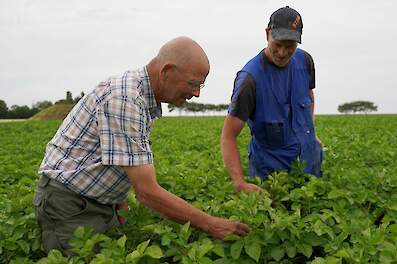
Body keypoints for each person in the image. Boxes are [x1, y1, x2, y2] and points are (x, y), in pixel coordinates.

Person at [33, 36, 249, 256]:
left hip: (97, 202)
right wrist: (212, 224)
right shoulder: (125, 99)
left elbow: (119, 156)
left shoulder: (144, 98)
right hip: (70, 204)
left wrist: (118, 199)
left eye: (200, 85)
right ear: (166, 71)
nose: (197, 93)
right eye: (193, 84)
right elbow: (147, 192)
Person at [221, 6, 323, 192]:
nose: (282, 52)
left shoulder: (305, 61)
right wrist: (239, 182)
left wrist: (311, 132)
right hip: (272, 177)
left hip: (310, 163)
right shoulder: (249, 80)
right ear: (267, 34)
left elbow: (309, 97)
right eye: (277, 44)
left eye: (290, 46)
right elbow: (228, 136)